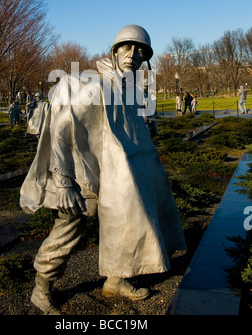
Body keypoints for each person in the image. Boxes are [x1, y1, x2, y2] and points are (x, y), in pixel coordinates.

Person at [20, 24, 186, 315]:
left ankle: (116, 279)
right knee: (67, 232)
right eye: (128, 47)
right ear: (116, 50)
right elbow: (60, 128)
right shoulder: (97, 86)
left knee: (123, 224)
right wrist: (63, 183)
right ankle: (41, 290)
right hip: (82, 179)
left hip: (114, 179)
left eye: (141, 51)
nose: (134, 55)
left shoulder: (128, 89)